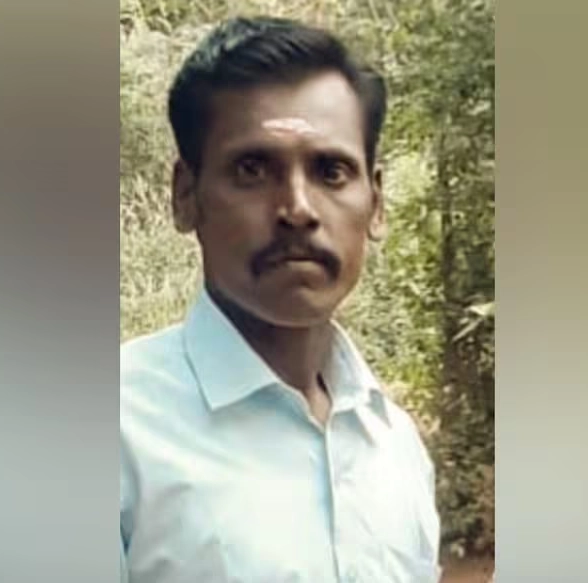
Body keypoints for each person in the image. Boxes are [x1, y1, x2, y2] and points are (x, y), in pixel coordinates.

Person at [120, 16, 441, 583]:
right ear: (186, 196)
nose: (298, 208)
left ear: (376, 203)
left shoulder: (394, 446)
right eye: (253, 169)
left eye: (331, 171)